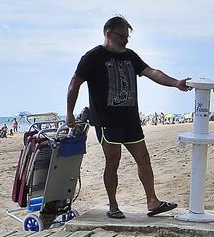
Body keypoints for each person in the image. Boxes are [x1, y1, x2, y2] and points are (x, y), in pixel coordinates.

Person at [65, 15, 188, 219]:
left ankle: (153, 201)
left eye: (127, 37)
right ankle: (113, 205)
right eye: (122, 36)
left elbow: (151, 72)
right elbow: (74, 84)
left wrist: (176, 83)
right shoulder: (92, 57)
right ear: (108, 34)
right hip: (106, 121)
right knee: (113, 161)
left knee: (144, 159)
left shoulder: (130, 56)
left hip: (130, 120)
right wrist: (69, 112)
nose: (126, 40)